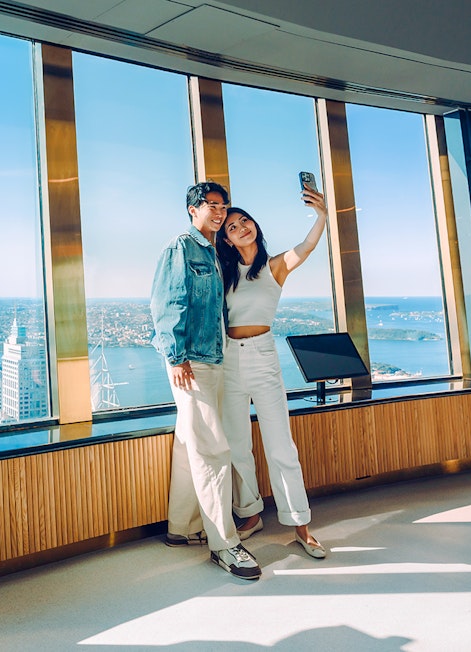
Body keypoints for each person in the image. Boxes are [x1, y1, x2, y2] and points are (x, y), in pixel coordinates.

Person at [150, 181, 262, 580]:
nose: (219, 212)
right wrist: (176, 357)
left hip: (211, 359)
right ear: (192, 209)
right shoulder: (181, 247)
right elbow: (167, 303)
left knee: (190, 443)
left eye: (223, 205)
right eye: (210, 205)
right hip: (191, 362)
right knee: (213, 448)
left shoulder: (213, 251)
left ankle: (181, 529)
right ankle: (224, 544)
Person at [214, 186, 329, 559]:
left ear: (255, 227)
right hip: (229, 359)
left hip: (263, 357)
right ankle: (249, 515)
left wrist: (322, 215)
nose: (241, 227)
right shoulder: (223, 272)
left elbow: (308, 246)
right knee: (237, 444)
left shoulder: (274, 266)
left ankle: (300, 525)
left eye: (244, 221)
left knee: (280, 445)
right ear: (227, 240)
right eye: (232, 227)